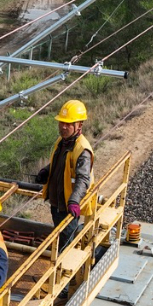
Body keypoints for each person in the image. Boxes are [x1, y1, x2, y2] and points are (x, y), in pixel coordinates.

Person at [35, 99, 93, 250]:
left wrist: (74, 201)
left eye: (68, 124)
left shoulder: (82, 150)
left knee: (66, 247)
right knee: (59, 238)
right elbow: (61, 164)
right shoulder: (62, 141)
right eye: (61, 122)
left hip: (68, 208)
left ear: (79, 125)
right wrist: (46, 171)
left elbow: (83, 179)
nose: (63, 127)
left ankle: (66, 272)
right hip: (57, 203)